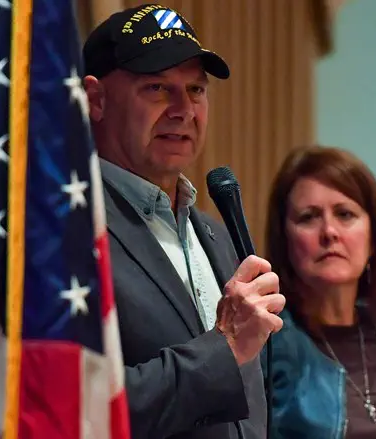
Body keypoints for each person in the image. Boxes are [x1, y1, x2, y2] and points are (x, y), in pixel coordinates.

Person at [81, 4, 285, 439]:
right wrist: (224, 347)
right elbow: (77, 406)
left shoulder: (214, 232)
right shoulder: (68, 230)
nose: (183, 109)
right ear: (96, 99)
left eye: (195, 89)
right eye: (157, 88)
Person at [262, 145, 376, 439]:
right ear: (285, 241)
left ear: (372, 240)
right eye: (308, 217)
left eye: (345, 214)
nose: (329, 231)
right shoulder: (266, 347)